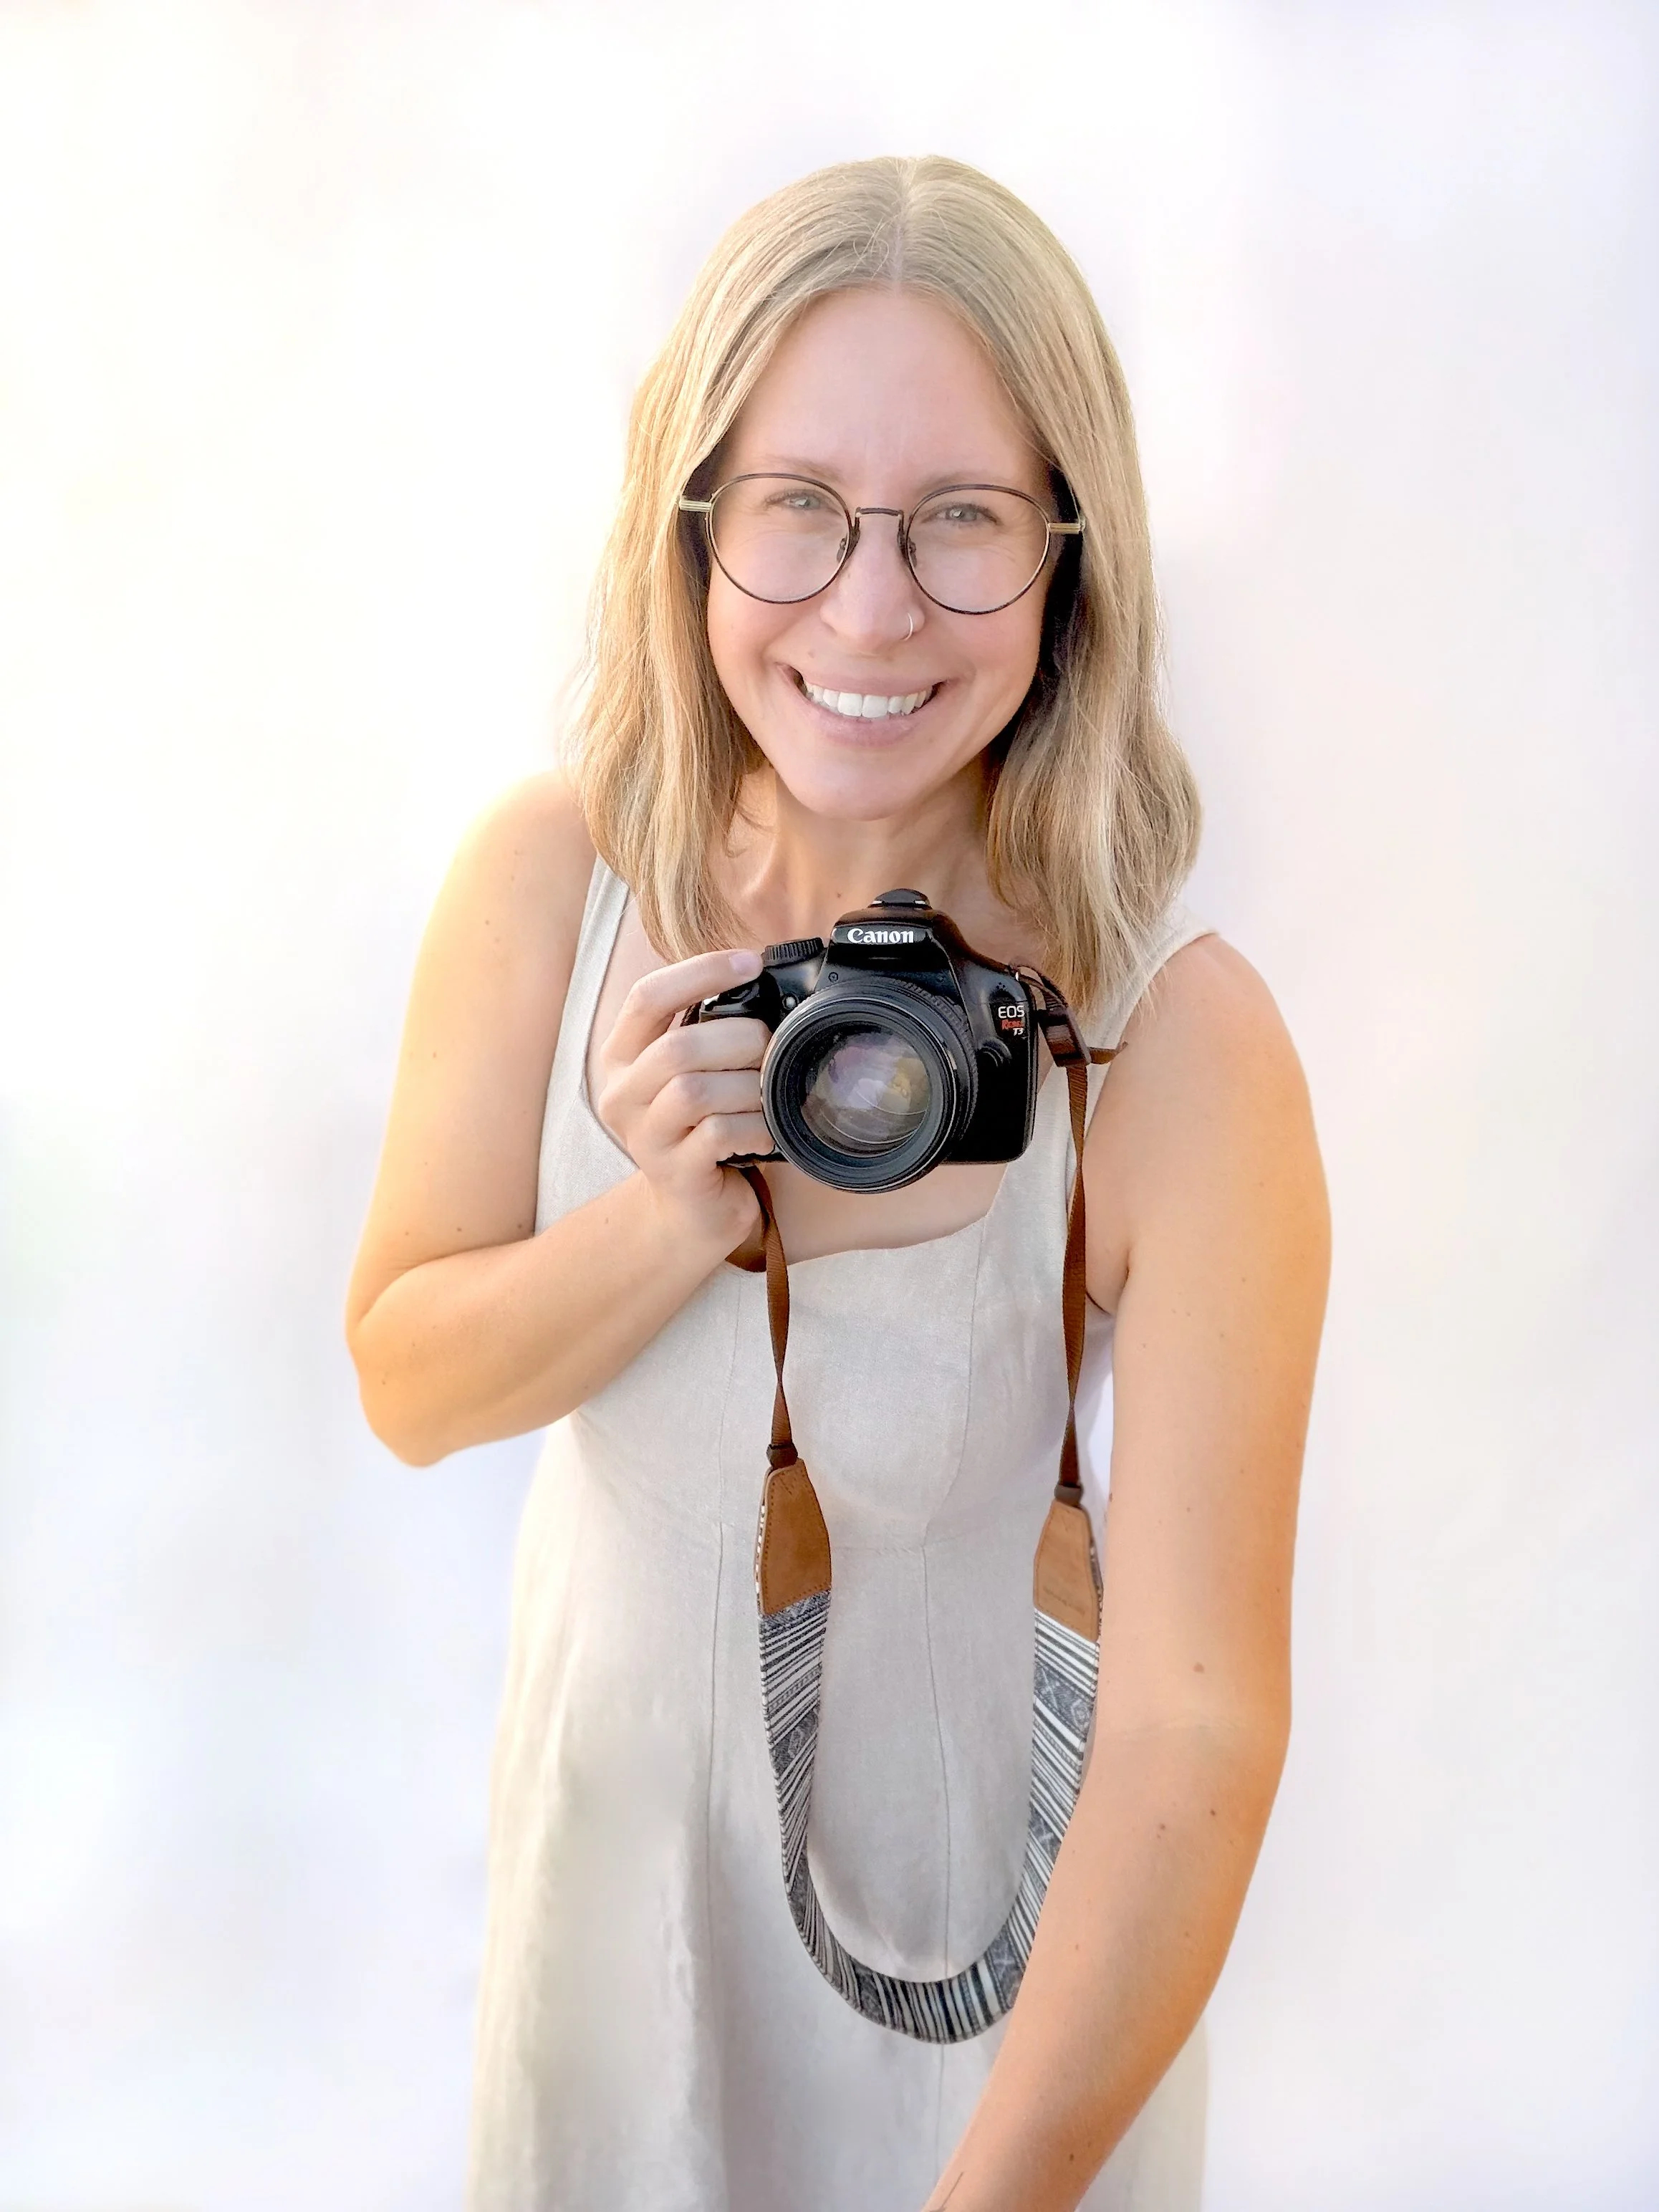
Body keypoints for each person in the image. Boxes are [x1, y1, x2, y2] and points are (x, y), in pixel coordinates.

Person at [345, 155, 1329, 2212]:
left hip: (1005, 2066)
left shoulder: (1173, 1046)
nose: (867, 613)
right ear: (689, 528)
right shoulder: (555, 888)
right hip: (610, 2005)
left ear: (1070, 558)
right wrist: (677, 1211)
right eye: (795, 509)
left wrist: (995, 2195)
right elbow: (409, 1383)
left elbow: (1198, 1726)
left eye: (959, 523)